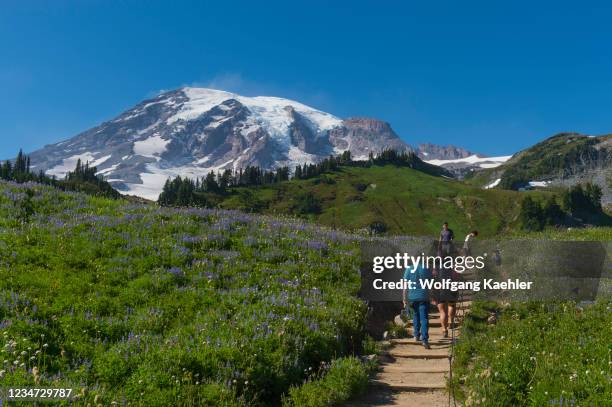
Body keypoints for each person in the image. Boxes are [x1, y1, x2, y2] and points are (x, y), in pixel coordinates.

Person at [402, 259, 433, 349]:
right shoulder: (426, 269)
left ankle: (416, 335)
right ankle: (425, 340)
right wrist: (431, 295)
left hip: (412, 297)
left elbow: (405, 286)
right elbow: (430, 284)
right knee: (424, 318)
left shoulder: (408, 269)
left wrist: (404, 299)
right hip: (424, 296)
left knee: (415, 315)